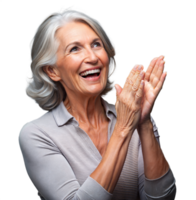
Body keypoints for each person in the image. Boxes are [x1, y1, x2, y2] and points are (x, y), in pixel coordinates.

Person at [17, 5, 176, 200]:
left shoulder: (138, 117)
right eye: (74, 49)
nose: (92, 57)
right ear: (52, 71)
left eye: (96, 44)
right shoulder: (36, 135)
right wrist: (124, 127)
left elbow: (163, 199)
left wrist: (143, 123)